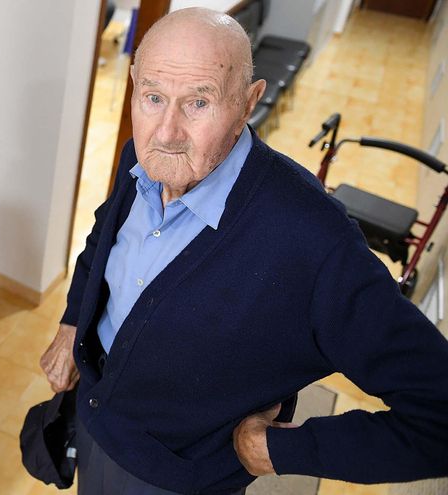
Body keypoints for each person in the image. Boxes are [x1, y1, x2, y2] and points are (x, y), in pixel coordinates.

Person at [40, 7, 448, 495]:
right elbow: (103, 238)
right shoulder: (140, 156)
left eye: (198, 103)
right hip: (95, 420)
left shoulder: (314, 243)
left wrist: (281, 451)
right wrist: (72, 321)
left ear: (248, 102)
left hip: (176, 477)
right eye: (152, 97)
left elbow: (439, 416)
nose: (166, 132)